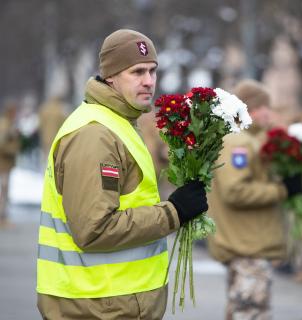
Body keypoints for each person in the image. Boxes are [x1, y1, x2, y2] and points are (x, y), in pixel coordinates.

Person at [36, 29, 208, 320]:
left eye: (153, 71)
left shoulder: (119, 122)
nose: (149, 81)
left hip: (110, 301)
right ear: (111, 76)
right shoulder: (95, 135)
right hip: (96, 303)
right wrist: (173, 212)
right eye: (137, 71)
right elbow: (94, 228)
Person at [207, 79, 302, 319]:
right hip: (247, 245)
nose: (268, 113)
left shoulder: (248, 140)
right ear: (247, 108)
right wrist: (282, 190)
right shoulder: (238, 143)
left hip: (248, 244)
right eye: (262, 107)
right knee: (251, 311)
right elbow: (235, 191)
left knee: (243, 310)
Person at [0, 100, 21, 228]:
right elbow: (2, 144)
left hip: (6, 165)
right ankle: (1, 218)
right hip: (3, 165)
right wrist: (14, 149)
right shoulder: (5, 125)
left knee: (4, 192)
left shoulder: (8, 124)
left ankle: (3, 217)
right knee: (2, 192)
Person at [38, 96, 67, 161]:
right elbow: (63, 123)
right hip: (56, 136)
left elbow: (40, 123)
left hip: (45, 136)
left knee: (45, 156)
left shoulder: (44, 109)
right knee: (55, 156)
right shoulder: (59, 110)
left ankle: (45, 168)